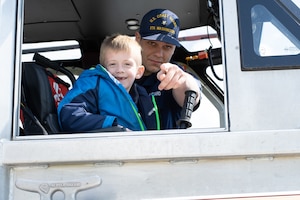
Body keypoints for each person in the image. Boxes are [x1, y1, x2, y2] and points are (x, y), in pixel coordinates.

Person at [57, 34, 159, 132]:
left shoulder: (140, 96)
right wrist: (111, 124)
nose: (120, 70)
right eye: (113, 64)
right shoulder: (93, 84)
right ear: (104, 70)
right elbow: (69, 116)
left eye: (127, 64)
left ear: (139, 72)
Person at [135, 9, 201, 129]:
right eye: (152, 44)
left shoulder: (175, 73)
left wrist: (183, 81)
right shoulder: (118, 74)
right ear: (138, 39)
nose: (159, 54)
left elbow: (190, 89)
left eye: (167, 47)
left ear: (174, 48)